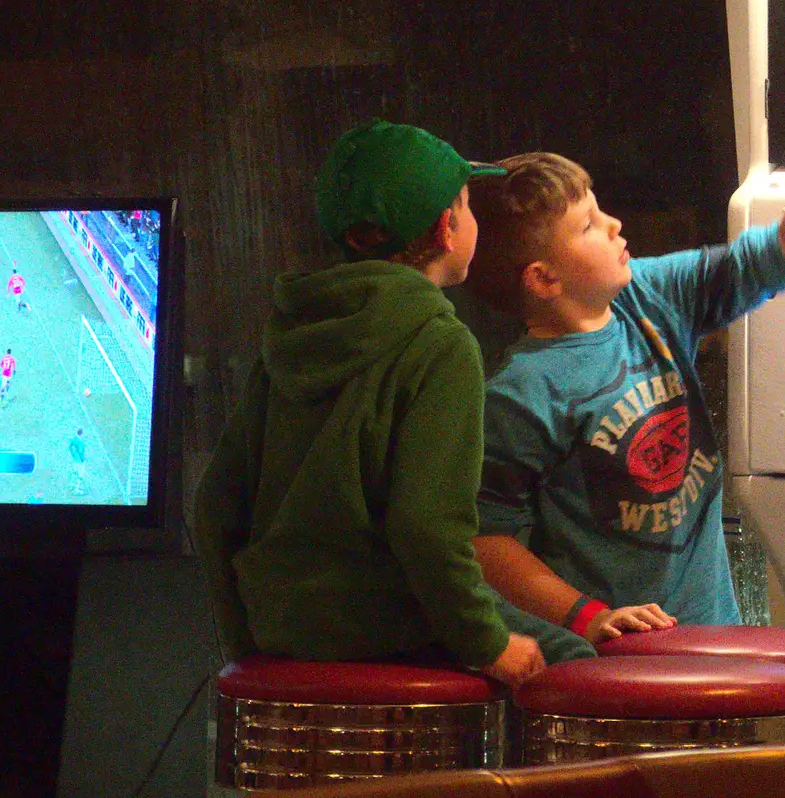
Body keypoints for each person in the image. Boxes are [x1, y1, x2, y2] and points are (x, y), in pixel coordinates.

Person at [465, 66, 785, 649]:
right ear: (543, 278)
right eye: (587, 225)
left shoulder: (652, 296)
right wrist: (588, 617)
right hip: (610, 664)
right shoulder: (520, 395)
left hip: (712, 640)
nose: (614, 225)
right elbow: (488, 543)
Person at [192, 119, 545, 686]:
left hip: (278, 634)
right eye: (467, 204)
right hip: (391, 633)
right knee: (571, 655)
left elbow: (213, 508)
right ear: (445, 229)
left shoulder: (289, 333)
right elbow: (426, 526)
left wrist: (246, 645)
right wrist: (487, 644)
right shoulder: (440, 343)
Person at [68, 428, 88, 496]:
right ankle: (76, 490)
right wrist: (83, 460)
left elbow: (70, 447)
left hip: (75, 460)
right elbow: (81, 452)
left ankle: (71, 485)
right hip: (80, 461)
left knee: (74, 472)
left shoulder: (73, 439)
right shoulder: (81, 443)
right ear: (82, 434)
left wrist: (73, 455)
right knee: (80, 475)